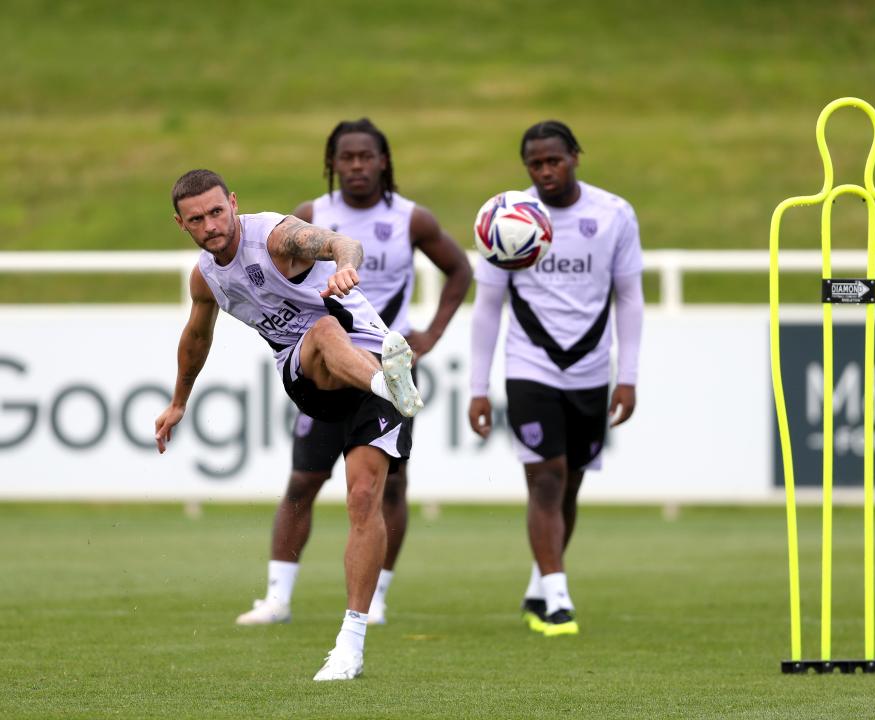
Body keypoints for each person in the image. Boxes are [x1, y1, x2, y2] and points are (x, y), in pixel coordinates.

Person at [155, 169, 423, 681]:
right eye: (197, 219)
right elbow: (196, 338)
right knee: (321, 331)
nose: (211, 225)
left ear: (233, 202)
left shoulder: (278, 238)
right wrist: (178, 402)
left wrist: (344, 268)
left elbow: (342, 242)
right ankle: (389, 385)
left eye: (217, 211)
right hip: (312, 377)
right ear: (181, 224)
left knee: (364, 499)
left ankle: (350, 645)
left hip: (366, 354)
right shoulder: (206, 277)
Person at [235, 119, 472, 628]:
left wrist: (429, 335)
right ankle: (277, 597)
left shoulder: (412, 220)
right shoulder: (309, 217)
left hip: (387, 364)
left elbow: (460, 270)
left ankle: (377, 595)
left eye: (367, 156)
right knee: (304, 479)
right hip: (327, 370)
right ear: (332, 163)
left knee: (389, 488)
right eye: (347, 157)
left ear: (384, 161)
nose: (358, 165)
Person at [468, 121, 644, 636]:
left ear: (575, 156)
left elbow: (629, 297)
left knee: (569, 485)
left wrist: (627, 376)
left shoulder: (614, 214)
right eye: (535, 164)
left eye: (554, 160)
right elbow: (488, 307)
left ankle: (539, 584)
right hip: (530, 367)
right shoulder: (506, 218)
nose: (545, 171)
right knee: (544, 478)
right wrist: (478, 387)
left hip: (591, 369)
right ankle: (560, 599)